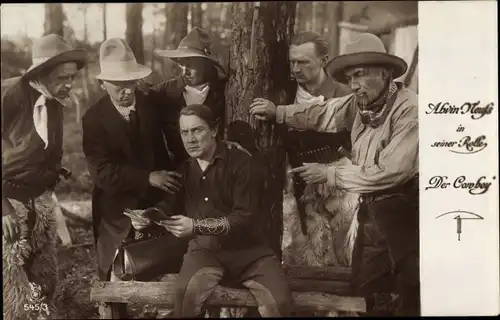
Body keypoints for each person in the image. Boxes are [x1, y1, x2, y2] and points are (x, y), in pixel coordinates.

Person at [249, 33, 419, 316]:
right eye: (350, 78)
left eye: (361, 75)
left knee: (407, 290)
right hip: (372, 210)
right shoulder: (360, 102)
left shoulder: (407, 109)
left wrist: (330, 174)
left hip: (403, 213)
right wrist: (278, 112)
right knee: (367, 289)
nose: (354, 85)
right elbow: (323, 113)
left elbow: (391, 173)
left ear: (386, 73)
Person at [139, 104, 293, 317]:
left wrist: (195, 226)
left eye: (197, 130)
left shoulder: (241, 163)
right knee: (185, 296)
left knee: (280, 302)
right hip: (205, 252)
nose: (190, 139)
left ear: (214, 130)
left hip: (250, 253)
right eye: (185, 132)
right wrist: (148, 216)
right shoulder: (184, 170)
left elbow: (244, 217)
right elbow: (170, 204)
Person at [81, 38, 190, 318]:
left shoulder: (150, 103)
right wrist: (147, 178)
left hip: (157, 202)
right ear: (103, 83)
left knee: (176, 265)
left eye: (131, 84)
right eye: (118, 86)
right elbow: (102, 173)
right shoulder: (93, 119)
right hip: (116, 210)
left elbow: (184, 94)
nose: (126, 92)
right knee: (114, 278)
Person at [2, 34, 87, 320]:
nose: (69, 84)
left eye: (72, 78)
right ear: (42, 73)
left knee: (43, 280)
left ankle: (41, 315)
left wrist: (54, 172)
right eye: (63, 78)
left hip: (39, 200)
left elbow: (46, 148)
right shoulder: (10, 95)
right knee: (12, 284)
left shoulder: (55, 101)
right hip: (8, 202)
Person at [153, 27, 227, 141]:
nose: (184, 71)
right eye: (181, 64)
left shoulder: (224, 90)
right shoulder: (166, 91)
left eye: (191, 65)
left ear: (206, 64)